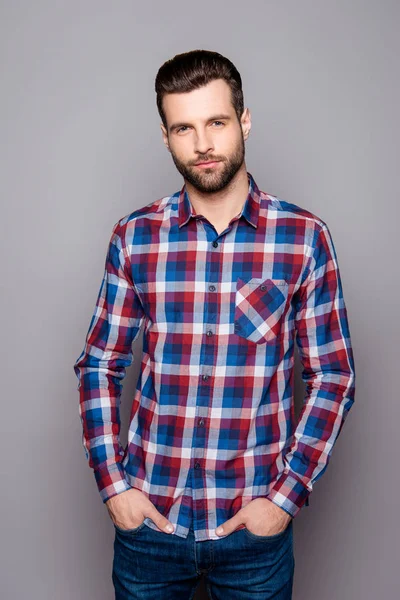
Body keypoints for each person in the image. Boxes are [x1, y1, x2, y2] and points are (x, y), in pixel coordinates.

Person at [73, 49, 356, 600]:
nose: (201, 143)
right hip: (150, 524)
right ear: (166, 136)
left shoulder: (303, 237)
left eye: (216, 122)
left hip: (255, 529)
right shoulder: (135, 237)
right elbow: (101, 364)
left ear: (244, 121)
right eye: (184, 127)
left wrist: (285, 497)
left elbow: (333, 376)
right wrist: (114, 487)